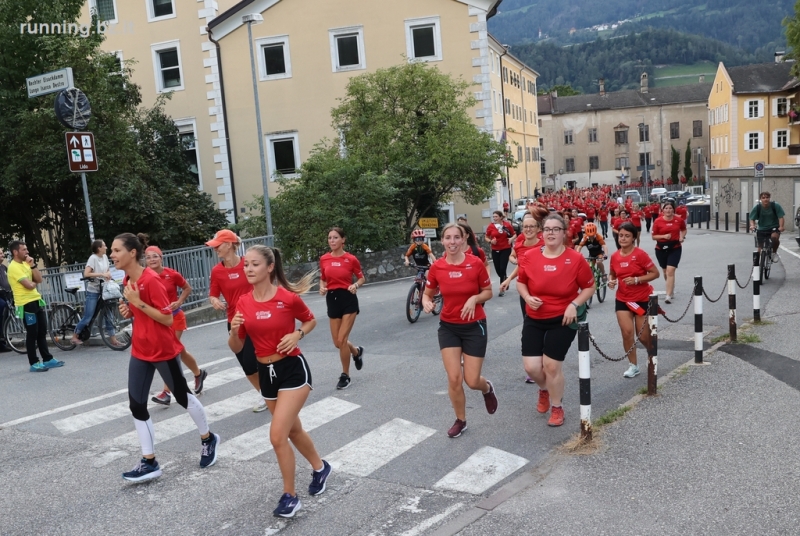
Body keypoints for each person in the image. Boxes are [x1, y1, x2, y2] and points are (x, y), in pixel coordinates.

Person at [228, 245, 327, 518]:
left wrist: (297, 335)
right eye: (246, 264)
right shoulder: (244, 303)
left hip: (293, 370)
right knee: (293, 431)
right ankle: (320, 468)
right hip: (266, 374)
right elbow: (236, 346)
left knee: (276, 435)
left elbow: (309, 320)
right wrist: (235, 329)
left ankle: (290, 496)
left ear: (269, 267)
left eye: (255, 264)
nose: (248, 269)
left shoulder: (286, 298)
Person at [111, 233, 219, 482]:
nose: (113, 255)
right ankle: (149, 461)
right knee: (136, 404)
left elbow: (167, 318)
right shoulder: (128, 278)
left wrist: (138, 302)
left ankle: (208, 438)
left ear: (132, 253)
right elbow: (139, 312)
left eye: (116, 251)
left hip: (163, 349)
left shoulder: (152, 280)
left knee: (182, 397)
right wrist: (130, 308)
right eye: (112, 252)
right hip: (140, 349)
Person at [516, 214, 595, 427]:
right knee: (532, 368)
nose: (551, 233)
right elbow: (521, 282)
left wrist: (573, 304)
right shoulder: (530, 256)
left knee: (551, 367)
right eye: (547, 229)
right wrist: (526, 297)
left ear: (564, 233)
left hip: (563, 318)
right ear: (542, 233)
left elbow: (589, 287)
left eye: (556, 229)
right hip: (534, 317)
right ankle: (544, 389)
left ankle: (557, 406)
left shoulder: (575, 258)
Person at [423, 222, 497, 438]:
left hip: (475, 326)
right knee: (454, 377)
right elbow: (428, 293)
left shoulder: (475, 264)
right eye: (448, 237)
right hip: (449, 327)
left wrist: (474, 298)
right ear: (442, 241)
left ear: (464, 239)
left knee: (472, 381)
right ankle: (460, 420)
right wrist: (427, 302)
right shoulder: (437, 267)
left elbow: (488, 292)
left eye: (457, 237)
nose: (452, 242)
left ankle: (487, 389)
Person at [207, 230, 265, 412]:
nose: (215, 248)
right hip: (234, 321)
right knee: (247, 366)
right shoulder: (217, 271)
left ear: (230, 245)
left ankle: (272, 392)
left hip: (255, 319)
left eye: (218, 245)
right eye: (214, 245)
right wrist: (214, 300)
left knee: (257, 359)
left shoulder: (247, 265)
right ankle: (265, 394)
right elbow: (213, 294)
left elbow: (263, 284)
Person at [145, 246, 208, 404]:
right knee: (179, 351)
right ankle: (198, 373)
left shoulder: (171, 274)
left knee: (170, 352)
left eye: (155, 256)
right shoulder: (145, 277)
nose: (152, 260)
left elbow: (187, 288)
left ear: (161, 258)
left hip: (175, 318)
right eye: (148, 257)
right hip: (159, 321)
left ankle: (166, 392)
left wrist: (179, 301)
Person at [607, 223, 660, 378]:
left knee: (642, 336)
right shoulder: (615, 256)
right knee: (627, 332)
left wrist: (637, 279)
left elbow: (655, 273)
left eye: (627, 236)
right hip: (623, 299)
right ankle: (633, 365)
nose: (623, 239)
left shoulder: (640, 254)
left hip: (641, 299)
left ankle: (652, 354)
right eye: (621, 235)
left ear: (633, 237)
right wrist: (611, 281)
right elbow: (612, 273)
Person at [7, 241, 64, 372]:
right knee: (32, 333)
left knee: (42, 331)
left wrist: (32, 265)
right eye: (24, 250)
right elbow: (30, 285)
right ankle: (34, 362)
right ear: (15, 252)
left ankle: (47, 359)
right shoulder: (14, 267)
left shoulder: (27, 264)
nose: (27, 252)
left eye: (27, 249)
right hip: (25, 304)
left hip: (36, 300)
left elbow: (39, 279)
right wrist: (34, 282)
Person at [319, 227, 365, 390]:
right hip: (332, 299)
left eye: (335, 237)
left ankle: (345, 375)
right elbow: (323, 279)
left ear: (343, 240)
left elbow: (361, 277)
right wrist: (322, 288)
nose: (332, 240)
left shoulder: (350, 259)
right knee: (337, 343)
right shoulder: (324, 259)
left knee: (342, 339)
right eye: (330, 238)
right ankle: (357, 352)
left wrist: (355, 285)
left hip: (348, 299)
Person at [72, 239, 115, 346]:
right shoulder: (93, 258)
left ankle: (113, 339)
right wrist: (101, 274)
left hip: (103, 289)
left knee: (108, 314)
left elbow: (108, 269)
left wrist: (108, 274)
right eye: (104, 246)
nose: (106, 247)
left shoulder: (104, 257)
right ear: (99, 248)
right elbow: (86, 273)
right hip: (93, 291)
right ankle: (75, 336)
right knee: (88, 316)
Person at [500, 214, 543, 318]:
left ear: (538, 229)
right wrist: (508, 279)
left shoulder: (545, 245)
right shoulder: (519, 246)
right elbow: (522, 267)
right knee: (527, 319)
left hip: (542, 289)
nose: (528, 229)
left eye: (532, 226)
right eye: (525, 227)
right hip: (525, 289)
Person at [651, 199, 687, 304]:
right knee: (665, 271)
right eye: (666, 208)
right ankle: (670, 286)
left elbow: (684, 229)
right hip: (661, 248)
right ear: (663, 210)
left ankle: (668, 295)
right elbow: (654, 237)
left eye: (670, 208)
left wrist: (681, 236)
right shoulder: (658, 221)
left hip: (675, 247)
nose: (668, 210)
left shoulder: (678, 220)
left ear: (673, 210)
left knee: (670, 271)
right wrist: (664, 236)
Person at [484, 211, 516, 297]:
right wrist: (491, 241)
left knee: (502, 269)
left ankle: (502, 289)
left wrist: (511, 239)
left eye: (496, 217)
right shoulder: (491, 226)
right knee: (498, 270)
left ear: (501, 217)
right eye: (493, 216)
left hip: (505, 249)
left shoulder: (507, 225)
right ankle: (505, 279)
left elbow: (514, 234)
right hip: (495, 250)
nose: (494, 218)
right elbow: (486, 237)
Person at [749, 191, 785, 263]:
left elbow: (781, 217)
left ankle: (774, 253)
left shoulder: (775, 206)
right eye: (763, 198)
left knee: (774, 238)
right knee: (760, 246)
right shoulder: (757, 207)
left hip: (773, 227)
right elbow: (752, 218)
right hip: (762, 228)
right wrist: (752, 225)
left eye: (767, 197)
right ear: (760, 199)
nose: (765, 199)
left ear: (769, 198)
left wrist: (781, 226)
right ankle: (757, 264)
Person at [0, 247, 12, 352]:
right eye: (0, 253)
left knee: (6, 313)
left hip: (6, 294)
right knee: (3, 306)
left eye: (2, 253)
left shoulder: (4, 267)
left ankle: (4, 337)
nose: (2, 255)